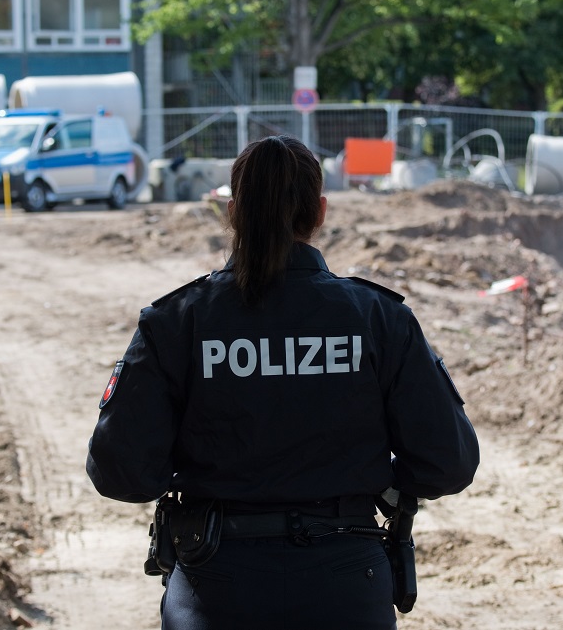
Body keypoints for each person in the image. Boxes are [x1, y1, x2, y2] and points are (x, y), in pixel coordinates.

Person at [86, 134, 479, 630]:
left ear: (232, 212)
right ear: (319, 211)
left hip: (215, 585)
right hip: (347, 582)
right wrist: (378, 488)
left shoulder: (176, 320)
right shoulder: (379, 318)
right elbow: (449, 463)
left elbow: (120, 472)